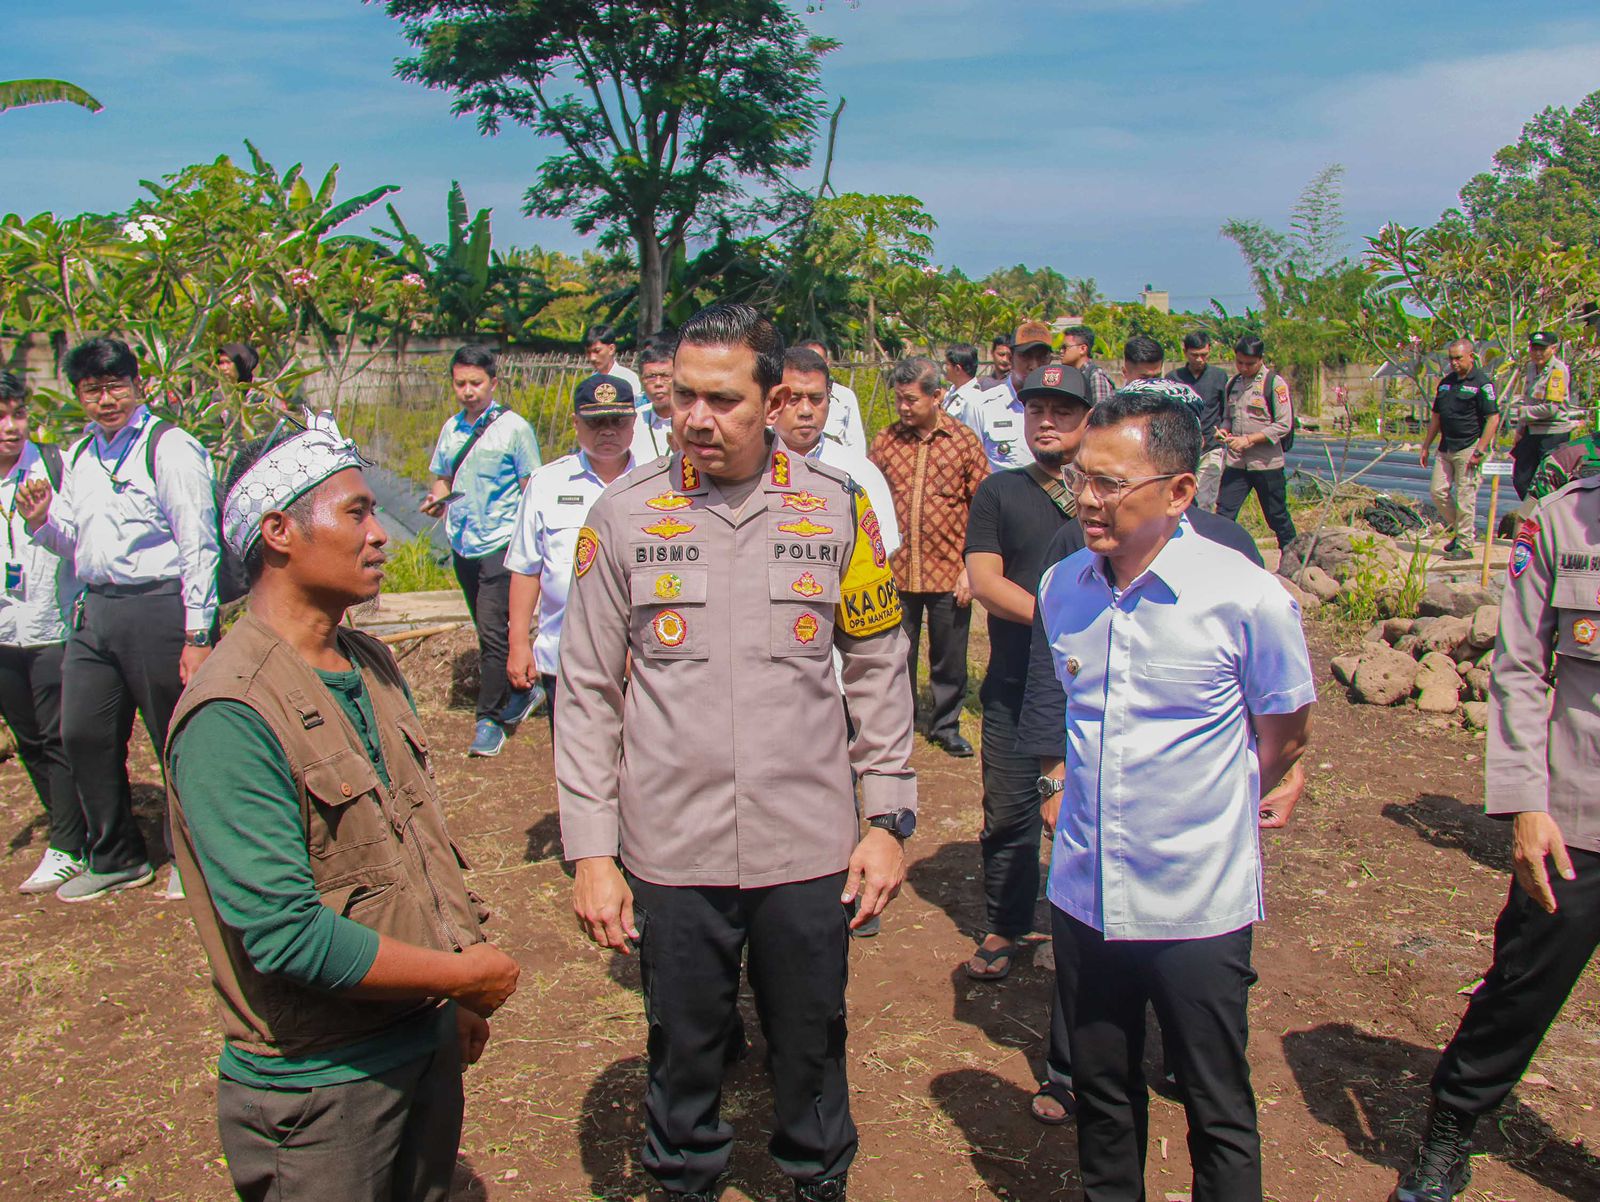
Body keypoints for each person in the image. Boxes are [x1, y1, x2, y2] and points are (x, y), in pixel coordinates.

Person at [556, 302, 917, 1202]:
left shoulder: (836, 508)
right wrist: (592, 851)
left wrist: (887, 820)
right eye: (683, 398)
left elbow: (877, 665)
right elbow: (589, 691)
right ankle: (683, 1181)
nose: (696, 419)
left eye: (721, 399)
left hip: (807, 842)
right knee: (684, 1045)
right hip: (674, 849)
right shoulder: (627, 515)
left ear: (775, 398)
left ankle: (814, 1179)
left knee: (811, 1039)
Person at [168, 426, 520, 1202]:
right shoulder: (232, 713)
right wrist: (463, 974)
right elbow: (286, 934)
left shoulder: (370, 665)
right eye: (357, 514)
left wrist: (446, 998)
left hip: (418, 1044)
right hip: (323, 1092)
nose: (380, 534)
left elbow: (412, 845)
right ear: (279, 533)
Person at [1035, 388, 1315, 1201]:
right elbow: (1076, 718)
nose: (1088, 499)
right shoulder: (1064, 589)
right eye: (1080, 479)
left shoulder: (1246, 598)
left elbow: (1285, 734)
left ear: (1181, 491)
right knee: (1104, 1091)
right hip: (1086, 893)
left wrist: (1216, 804)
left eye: (1111, 484)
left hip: (1198, 901)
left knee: (1214, 1100)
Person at [1389, 471, 1600, 1202]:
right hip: (1580, 811)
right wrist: (1526, 802)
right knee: (1522, 985)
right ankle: (1451, 1129)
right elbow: (1520, 670)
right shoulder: (1564, 522)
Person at [17, 337, 220, 903]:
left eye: (115, 386)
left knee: (175, 737)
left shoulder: (169, 447)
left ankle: (193, 857)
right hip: (97, 609)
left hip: (159, 607)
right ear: (78, 395)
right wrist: (40, 523)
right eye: (92, 389)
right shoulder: (82, 455)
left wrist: (197, 632)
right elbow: (75, 543)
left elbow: (198, 543)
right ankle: (116, 856)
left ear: (139, 384)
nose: (106, 399)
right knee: (81, 732)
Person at [962, 363, 1092, 1124]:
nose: (1047, 421)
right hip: (1017, 683)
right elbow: (983, 578)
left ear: (1087, 416)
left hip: (1099, 695)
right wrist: (1066, 617)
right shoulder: (1002, 492)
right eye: (1036, 408)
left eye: (1063, 409)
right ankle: (1007, 922)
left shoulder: (1107, 491)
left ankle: (1082, 933)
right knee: (1008, 811)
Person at [420, 345, 542, 758]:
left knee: (493, 630)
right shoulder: (451, 428)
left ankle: (489, 719)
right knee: (485, 624)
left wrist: (531, 546)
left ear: (493, 383)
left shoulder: (515, 429)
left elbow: (531, 490)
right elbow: (442, 477)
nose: (468, 391)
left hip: (501, 542)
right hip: (463, 540)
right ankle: (524, 687)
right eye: (460, 384)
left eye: (476, 383)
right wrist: (437, 498)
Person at [870, 356, 989, 757]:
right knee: (895, 652)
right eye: (899, 400)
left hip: (948, 568)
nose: (903, 408)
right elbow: (868, 500)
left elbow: (983, 508)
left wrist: (971, 568)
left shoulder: (964, 442)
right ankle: (899, 723)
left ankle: (945, 724)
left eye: (910, 400)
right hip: (896, 570)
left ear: (937, 396)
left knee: (949, 655)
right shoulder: (886, 441)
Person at [505, 374, 637, 737]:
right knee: (575, 767)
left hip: (642, 661)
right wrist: (518, 644)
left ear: (633, 423)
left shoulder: (658, 483)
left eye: (617, 421)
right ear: (576, 423)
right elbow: (526, 568)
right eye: (596, 422)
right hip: (565, 658)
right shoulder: (547, 483)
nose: (607, 432)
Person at [0, 374, 85, 895]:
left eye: (17, 413)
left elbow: (84, 541)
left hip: (50, 623)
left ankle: (70, 845)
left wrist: (43, 518)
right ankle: (69, 827)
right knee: (28, 736)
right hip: (3, 629)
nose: (10, 427)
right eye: (0, 415)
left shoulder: (55, 466)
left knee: (60, 736)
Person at [776, 347, 901, 556]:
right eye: (794, 399)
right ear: (773, 400)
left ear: (829, 396)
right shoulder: (747, 467)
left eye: (816, 399)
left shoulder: (858, 473)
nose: (806, 411)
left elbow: (881, 550)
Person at [1419, 339, 1501, 561]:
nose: (1454, 363)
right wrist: (1426, 445)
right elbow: (1436, 416)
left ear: (1471, 357)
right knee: (1437, 491)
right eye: (1451, 358)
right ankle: (1462, 531)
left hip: (1469, 446)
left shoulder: (1482, 383)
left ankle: (1464, 543)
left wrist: (1480, 450)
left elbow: (1493, 418)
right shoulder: (1446, 383)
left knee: (1465, 497)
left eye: (1458, 358)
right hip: (1446, 446)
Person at [1215, 335, 1297, 551]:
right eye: (1239, 362)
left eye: (1249, 364)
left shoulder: (1274, 385)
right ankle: (1218, 559)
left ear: (1261, 359)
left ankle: (1293, 557)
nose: (1243, 367)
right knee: (1224, 514)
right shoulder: (1232, 384)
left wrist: (1249, 440)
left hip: (1266, 464)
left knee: (1277, 516)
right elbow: (1228, 417)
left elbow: (1283, 425)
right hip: (1237, 463)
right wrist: (1224, 431)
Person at [952, 321, 1055, 471]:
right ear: (1011, 358)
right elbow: (966, 466)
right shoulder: (981, 406)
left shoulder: (1060, 409)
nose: (1034, 365)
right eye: (1026, 356)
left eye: (1041, 357)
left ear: (1050, 360)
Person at [1509, 330, 1575, 500]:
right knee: (1521, 479)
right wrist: (1520, 428)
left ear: (1553, 349)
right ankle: (1532, 514)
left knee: (1548, 481)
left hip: (1552, 432)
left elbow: (1551, 409)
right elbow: (1528, 399)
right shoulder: (1531, 368)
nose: (1538, 353)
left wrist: (1523, 414)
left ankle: (1546, 516)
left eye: (1542, 349)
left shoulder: (1558, 370)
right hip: (1532, 430)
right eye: (1534, 348)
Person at [1169, 332, 1230, 511]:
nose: (1199, 359)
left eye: (1204, 355)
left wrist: (1224, 430)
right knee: (1180, 497)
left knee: (1205, 500)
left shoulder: (1219, 377)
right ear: (1185, 352)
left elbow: (1226, 411)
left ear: (1209, 351)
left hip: (1211, 448)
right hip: (1182, 448)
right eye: (1194, 355)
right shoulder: (1174, 378)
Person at [795, 340, 866, 454]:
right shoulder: (785, 394)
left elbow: (856, 442)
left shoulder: (845, 396)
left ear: (827, 363)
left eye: (819, 362)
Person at [628, 334, 678, 464]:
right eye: (651, 377)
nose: (658, 383)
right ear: (641, 380)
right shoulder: (633, 421)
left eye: (665, 376)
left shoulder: (693, 421)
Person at [1060, 326, 1117, 406]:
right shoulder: (1071, 375)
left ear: (1083, 349)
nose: (1061, 351)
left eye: (1065, 347)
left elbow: (1101, 414)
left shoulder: (1095, 375)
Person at [584, 323, 643, 398]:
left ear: (611, 349)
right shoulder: (591, 382)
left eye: (597, 351)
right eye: (588, 352)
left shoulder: (628, 378)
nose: (592, 358)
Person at [942, 343, 987, 422]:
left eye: (947, 364)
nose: (945, 368)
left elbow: (973, 433)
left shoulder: (973, 401)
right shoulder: (952, 392)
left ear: (957, 369)